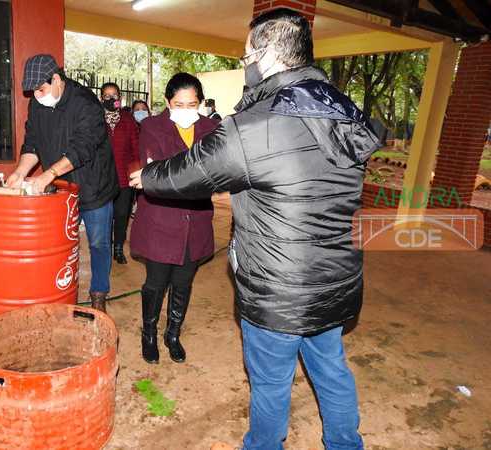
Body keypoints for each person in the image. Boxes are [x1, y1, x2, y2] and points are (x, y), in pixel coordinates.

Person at [130, 9, 380, 450]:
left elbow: (194, 169)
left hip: (277, 289)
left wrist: (147, 178)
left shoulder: (259, 124)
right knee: (332, 369)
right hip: (335, 280)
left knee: (269, 382)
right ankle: (346, 443)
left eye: (246, 55)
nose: (244, 63)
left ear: (264, 57)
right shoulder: (342, 109)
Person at [7, 54, 119, 313]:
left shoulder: (86, 104)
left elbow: (82, 149)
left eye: (41, 89)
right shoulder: (38, 104)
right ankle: (58, 291)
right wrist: (21, 172)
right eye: (34, 91)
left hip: (94, 186)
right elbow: (32, 142)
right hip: (61, 190)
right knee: (58, 244)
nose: (37, 95)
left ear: (57, 79)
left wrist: (48, 175)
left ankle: (99, 293)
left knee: (99, 243)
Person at [129, 73, 218, 364]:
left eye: (192, 103)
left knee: (183, 282)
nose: (185, 109)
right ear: (168, 102)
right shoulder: (152, 126)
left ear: (200, 103)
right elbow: (154, 171)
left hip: (196, 221)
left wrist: (165, 175)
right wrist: (188, 175)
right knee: (155, 282)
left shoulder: (212, 128)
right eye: (179, 104)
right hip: (160, 220)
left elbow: (210, 173)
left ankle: (173, 334)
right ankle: (150, 334)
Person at [100, 82, 139, 265]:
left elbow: (135, 148)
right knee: (105, 216)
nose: (111, 99)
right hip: (103, 178)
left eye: (114, 95)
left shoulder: (128, 119)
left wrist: (135, 174)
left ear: (120, 98)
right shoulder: (96, 119)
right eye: (107, 96)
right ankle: (106, 249)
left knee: (122, 214)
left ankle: (118, 248)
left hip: (124, 178)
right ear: (101, 99)